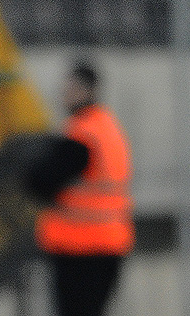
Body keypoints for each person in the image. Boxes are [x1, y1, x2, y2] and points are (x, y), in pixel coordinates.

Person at [31, 61, 134, 316]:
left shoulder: (81, 135)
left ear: (87, 91)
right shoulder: (108, 128)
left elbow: (41, 180)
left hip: (79, 245)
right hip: (110, 243)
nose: (64, 96)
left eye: (70, 89)